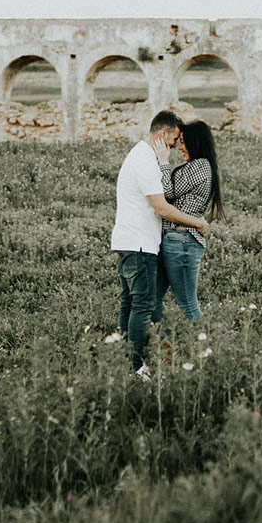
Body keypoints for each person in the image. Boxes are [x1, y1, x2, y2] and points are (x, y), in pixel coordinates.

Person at [108, 111, 207, 381]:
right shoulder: (146, 161)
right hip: (139, 244)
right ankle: (137, 368)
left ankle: (127, 359)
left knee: (129, 304)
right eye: (175, 139)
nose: (175, 146)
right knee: (142, 305)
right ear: (163, 135)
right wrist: (197, 222)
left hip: (129, 240)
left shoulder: (140, 155)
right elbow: (162, 207)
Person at [158, 119, 222, 334]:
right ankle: (168, 345)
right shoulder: (201, 165)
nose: (179, 147)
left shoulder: (199, 165)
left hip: (182, 240)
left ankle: (200, 349)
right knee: (152, 298)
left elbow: (168, 193)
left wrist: (163, 162)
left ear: (196, 142)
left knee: (187, 303)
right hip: (177, 240)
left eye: (184, 142)